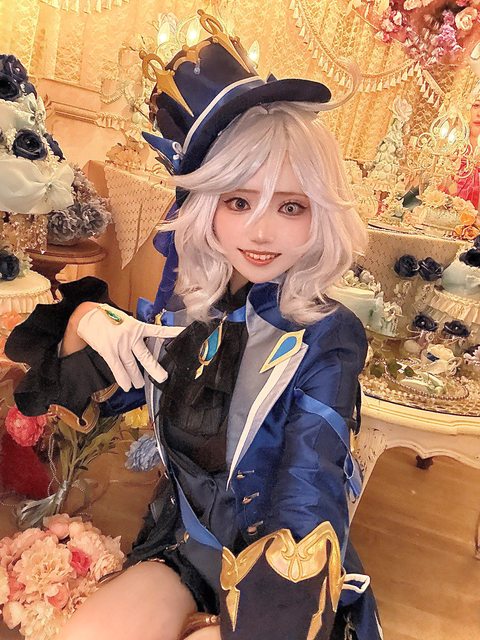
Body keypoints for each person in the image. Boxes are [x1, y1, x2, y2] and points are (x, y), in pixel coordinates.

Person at [6, 12, 381, 640]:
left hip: (276, 583)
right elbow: (103, 391)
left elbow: (309, 491)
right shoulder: (194, 311)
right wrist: (86, 321)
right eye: (238, 201)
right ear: (206, 205)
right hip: (186, 551)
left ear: (321, 216)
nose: (261, 231)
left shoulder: (326, 337)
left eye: (290, 206)